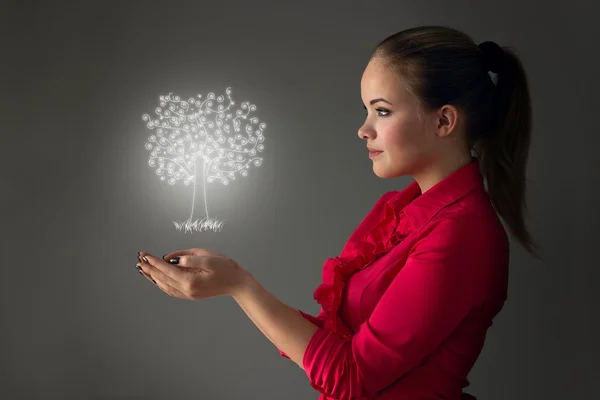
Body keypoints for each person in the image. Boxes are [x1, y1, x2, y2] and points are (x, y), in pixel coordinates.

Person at [137, 25, 539, 400]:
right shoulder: (397, 210)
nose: (364, 130)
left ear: (444, 120)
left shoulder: (463, 234)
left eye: (382, 111)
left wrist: (241, 286)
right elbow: (339, 345)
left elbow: (351, 375)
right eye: (367, 111)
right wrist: (232, 280)